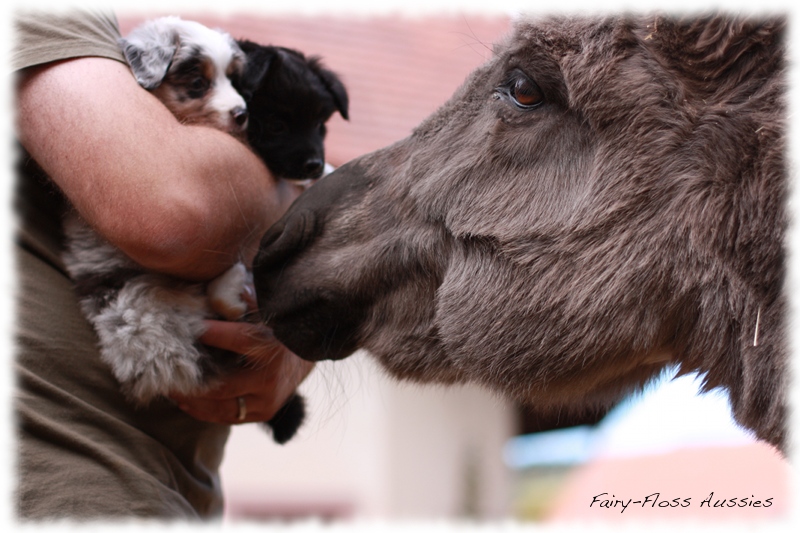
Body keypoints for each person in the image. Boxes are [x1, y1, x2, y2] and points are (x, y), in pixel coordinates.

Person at [13, 10, 313, 519]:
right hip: (70, 478)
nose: (237, 106)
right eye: (198, 84)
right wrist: (288, 194)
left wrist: (296, 347)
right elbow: (177, 214)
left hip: (173, 486)